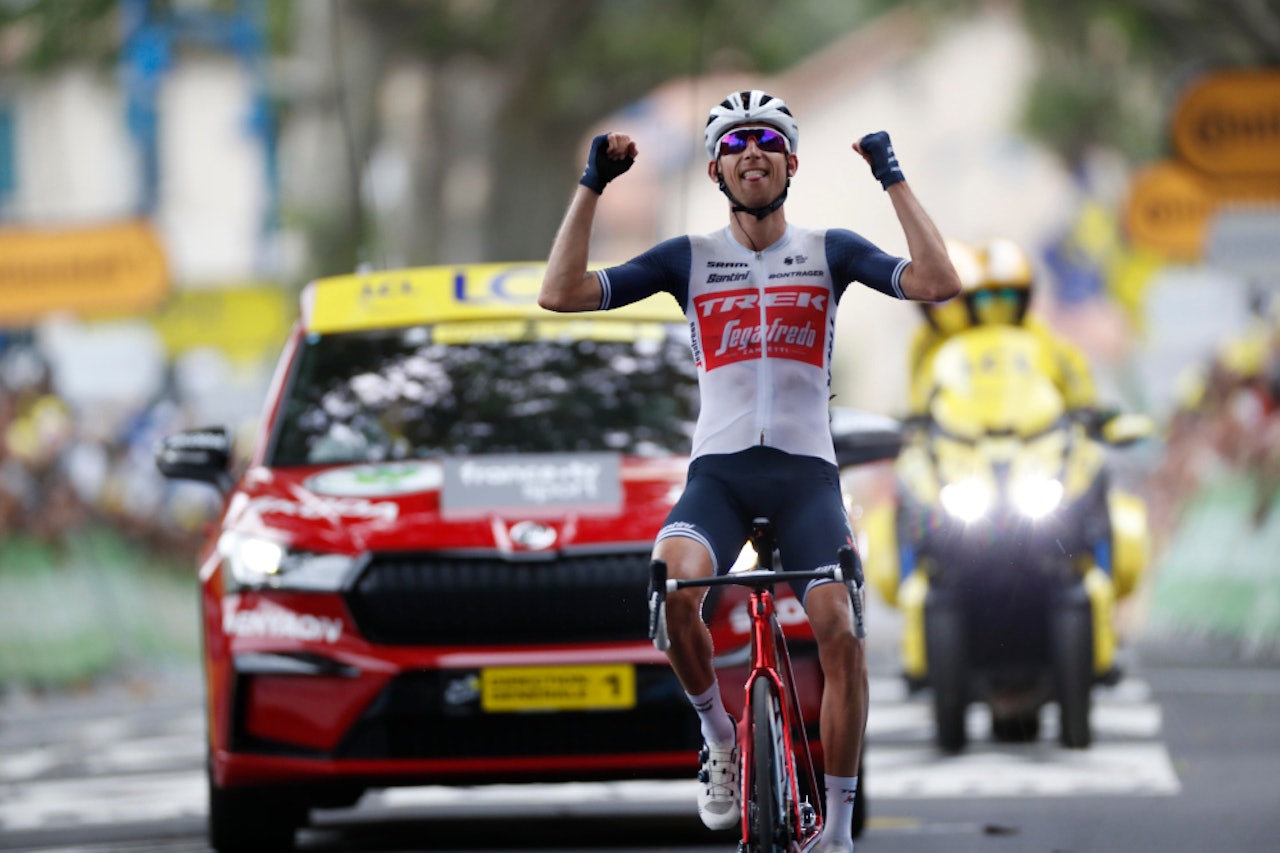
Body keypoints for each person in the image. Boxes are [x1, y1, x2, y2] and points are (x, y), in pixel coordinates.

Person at [539, 89, 960, 852]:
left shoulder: (831, 250)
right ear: (715, 170)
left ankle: (837, 829)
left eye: (767, 139)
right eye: (734, 143)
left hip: (806, 481)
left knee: (840, 631)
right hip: (720, 480)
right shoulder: (687, 258)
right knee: (672, 590)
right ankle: (719, 737)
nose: (752, 151)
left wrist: (891, 174)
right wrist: (593, 183)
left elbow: (939, 282)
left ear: (791, 162)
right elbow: (560, 292)